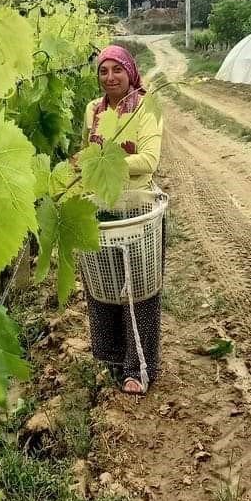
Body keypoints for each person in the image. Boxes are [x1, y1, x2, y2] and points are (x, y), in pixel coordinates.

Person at [81, 44, 163, 395]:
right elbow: (88, 153)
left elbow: (148, 160)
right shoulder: (92, 110)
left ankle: (138, 367)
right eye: (103, 70)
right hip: (102, 205)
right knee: (102, 285)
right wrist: (87, 163)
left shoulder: (146, 108)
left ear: (131, 71)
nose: (110, 77)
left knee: (138, 289)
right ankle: (112, 359)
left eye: (117, 70)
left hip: (138, 208)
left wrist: (103, 162)